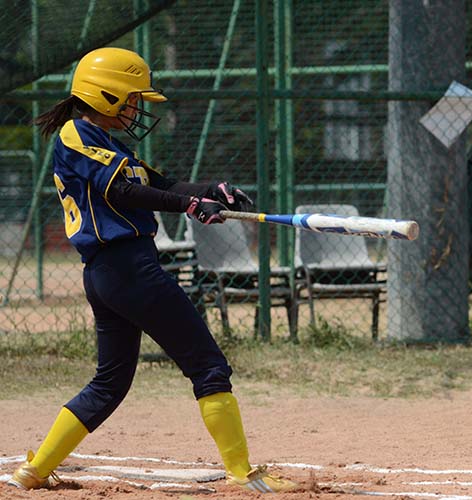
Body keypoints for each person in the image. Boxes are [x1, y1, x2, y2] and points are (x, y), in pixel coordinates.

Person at [9, 47, 298, 494]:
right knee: (208, 367)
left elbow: (157, 184)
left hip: (113, 274)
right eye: (131, 98)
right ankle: (243, 474)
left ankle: (35, 469)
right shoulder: (75, 135)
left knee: (111, 382)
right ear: (104, 95)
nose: (138, 107)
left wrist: (209, 190)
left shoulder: (104, 139)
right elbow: (122, 191)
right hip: (127, 270)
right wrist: (188, 206)